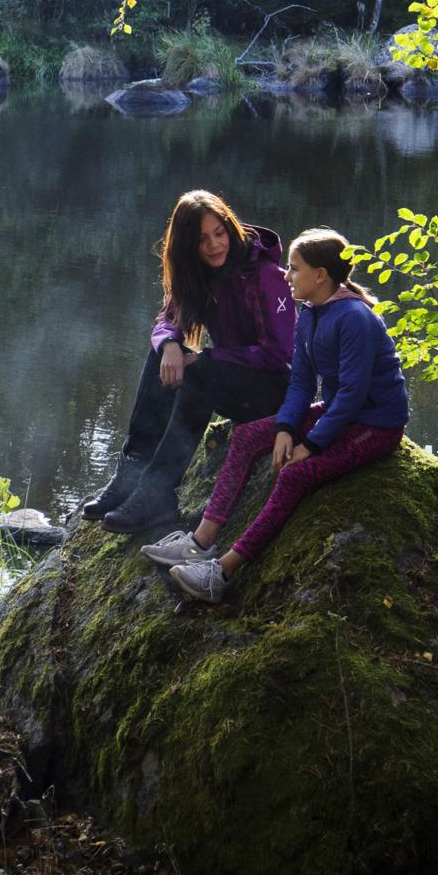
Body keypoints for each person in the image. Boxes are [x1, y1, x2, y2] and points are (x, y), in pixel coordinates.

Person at [142, 226, 408, 601]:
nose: (286, 275)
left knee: (294, 474)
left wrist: (312, 445)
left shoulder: (354, 319)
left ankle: (221, 573)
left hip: (375, 424)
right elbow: (301, 381)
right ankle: (200, 542)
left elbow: (352, 394)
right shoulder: (311, 313)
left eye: (295, 268)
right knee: (249, 435)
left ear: (320, 275)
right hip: (340, 412)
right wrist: (285, 427)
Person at [83, 189, 297, 535]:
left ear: (230, 228)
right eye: (202, 240)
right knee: (163, 357)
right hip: (233, 381)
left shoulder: (266, 275)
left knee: (200, 372)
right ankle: (132, 472)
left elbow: (279, 355)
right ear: (186, 247)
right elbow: (168, 320)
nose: (214, 245)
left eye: (219, 233)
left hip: (274, 391)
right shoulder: (198, 274)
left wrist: (210, 356)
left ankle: (157, 495)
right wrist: (169, 344)